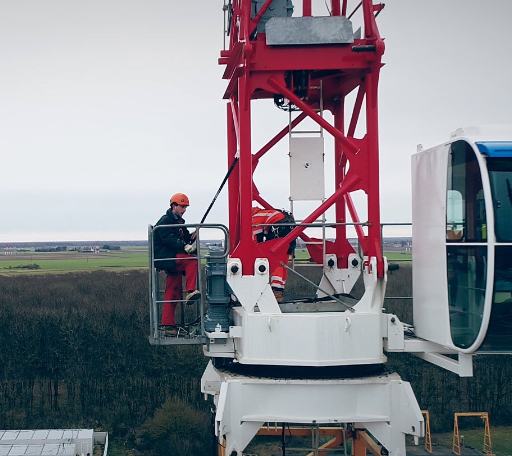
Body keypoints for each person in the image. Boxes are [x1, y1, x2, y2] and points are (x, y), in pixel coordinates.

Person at [154, 193, 200, 336]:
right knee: (191, 261)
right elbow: (169, 238)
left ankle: (168, 325)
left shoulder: (178, 222)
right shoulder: (165, 221)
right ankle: (191, 290)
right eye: (182, 206)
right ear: (174, 206)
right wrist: (184, 246)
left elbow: (182, 237)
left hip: (171, 257)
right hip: (167, 257)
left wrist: (190, 237)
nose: (184, 209)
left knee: (172, 291)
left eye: (185, 207)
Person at [252, 206, 296, 303]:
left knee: (276, 262)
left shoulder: (255, 218)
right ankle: (279, 291)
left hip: (279, 228)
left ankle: (276, 293)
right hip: (290, 228)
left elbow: (255, 242)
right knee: (283, 260)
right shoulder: (266, 213)